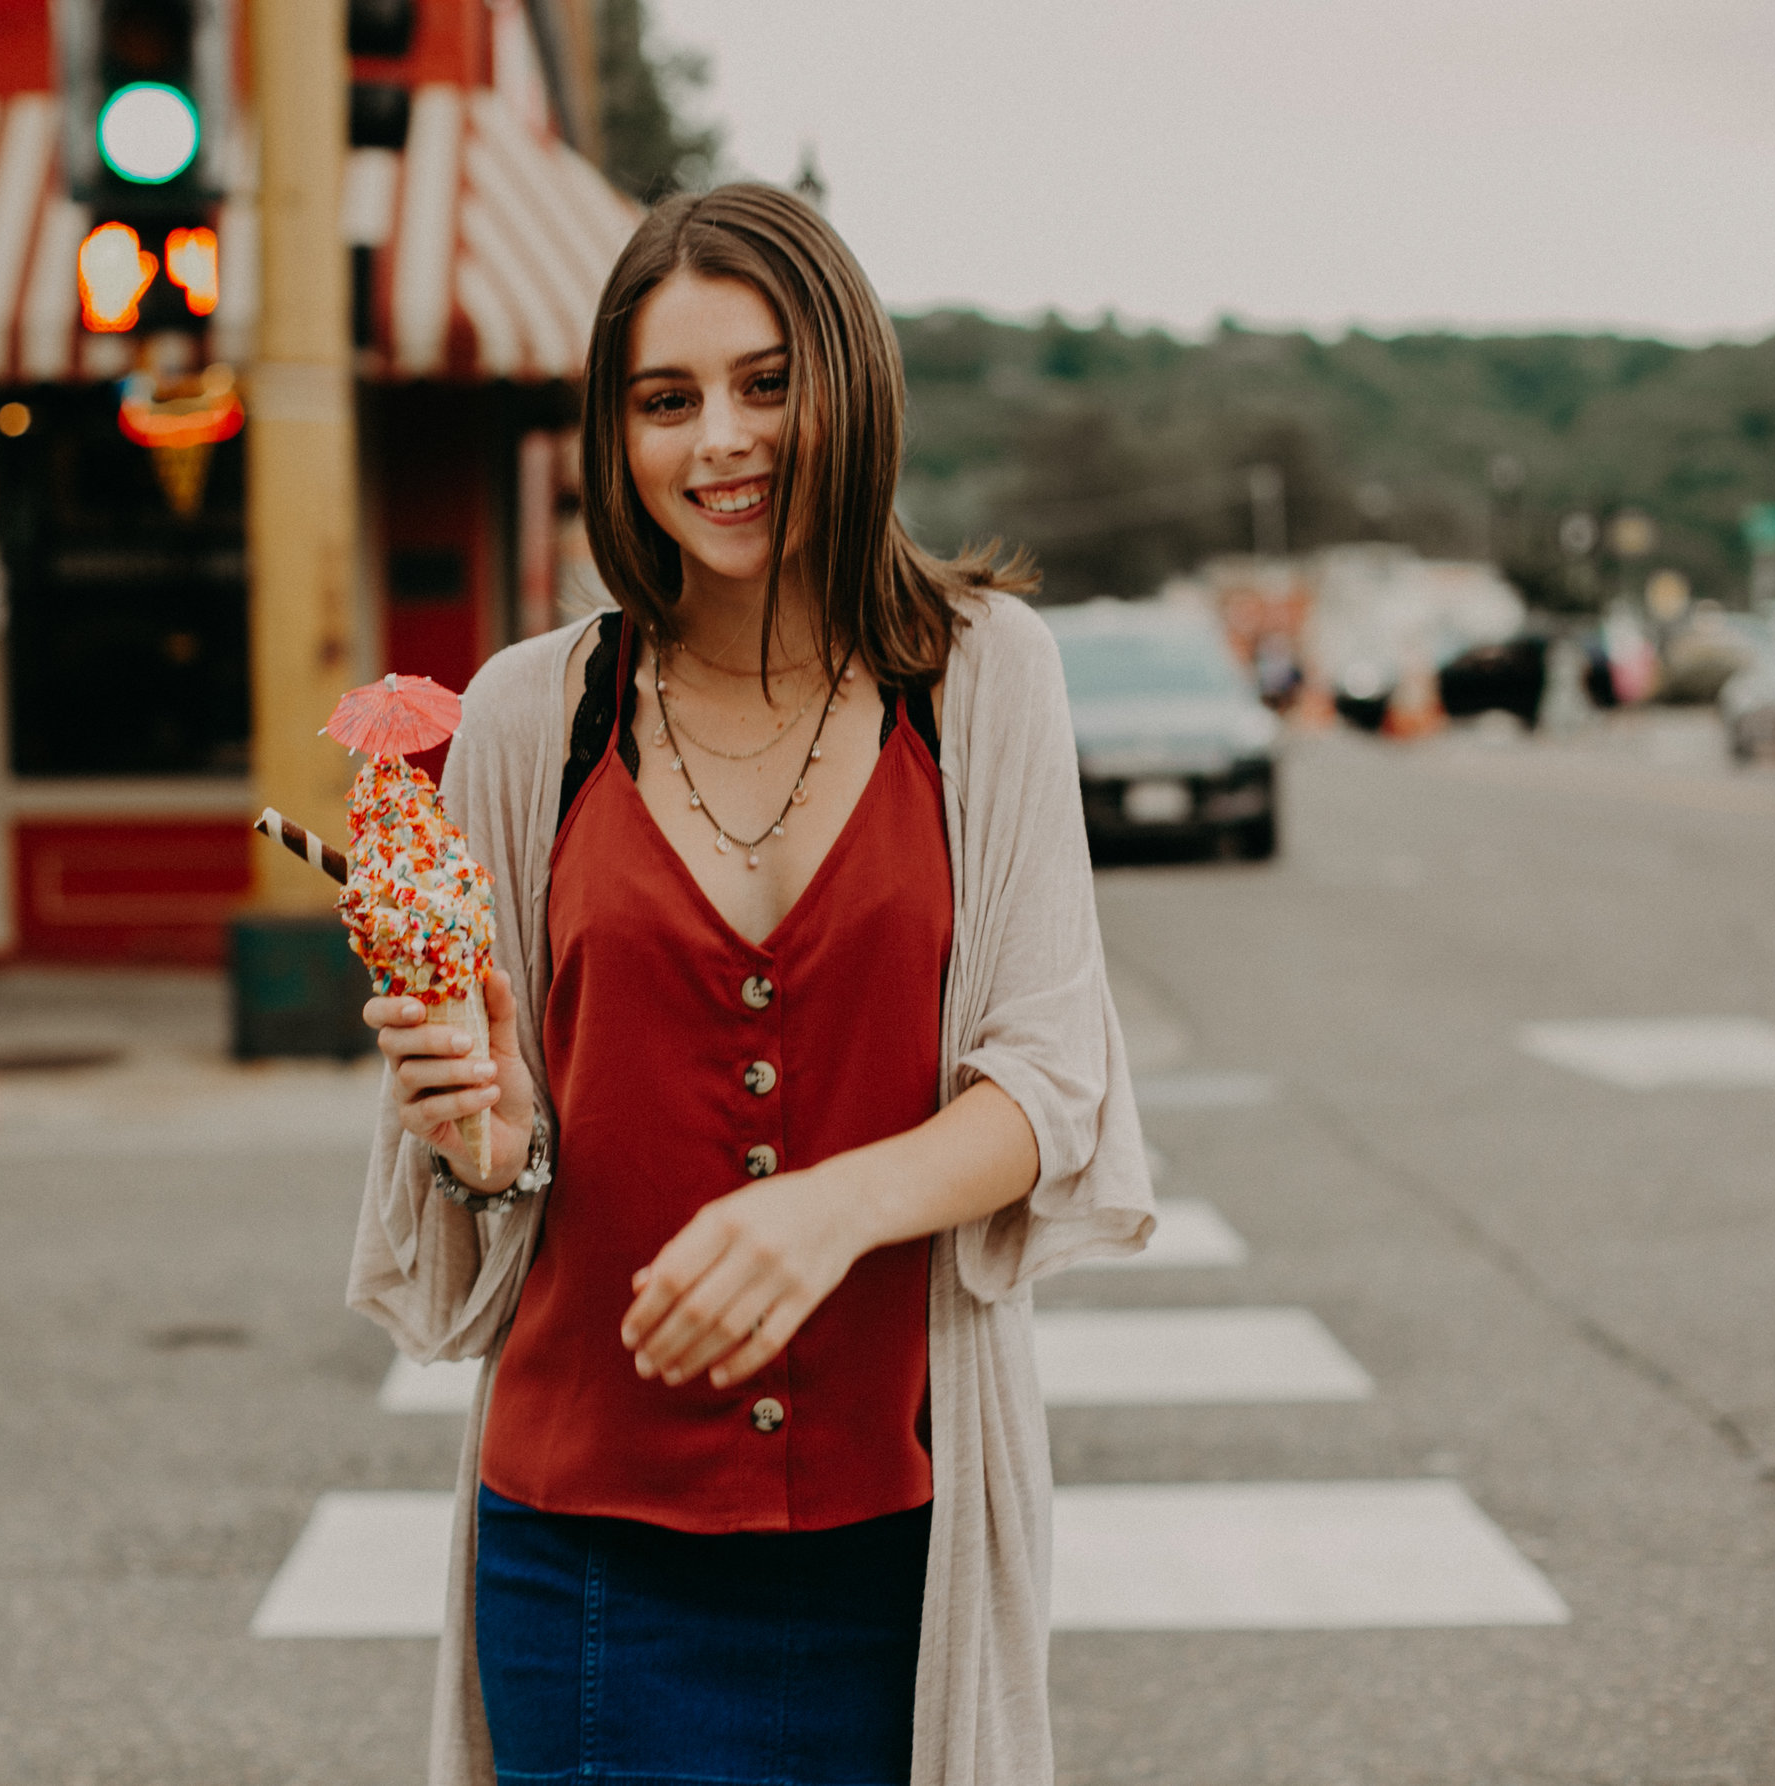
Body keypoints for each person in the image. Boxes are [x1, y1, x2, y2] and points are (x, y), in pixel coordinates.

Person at [351, 184, 1153, 1786]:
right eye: (668, 399)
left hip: (898, 1553)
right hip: (586, 1565)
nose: (720, 439)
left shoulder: (982, 676)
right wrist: (489, 1129)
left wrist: (828, 1207)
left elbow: (1050, 1082)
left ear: (848, 385)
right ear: (617, 433)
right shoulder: (530, 716)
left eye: (766, 381)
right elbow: (504, 1173)